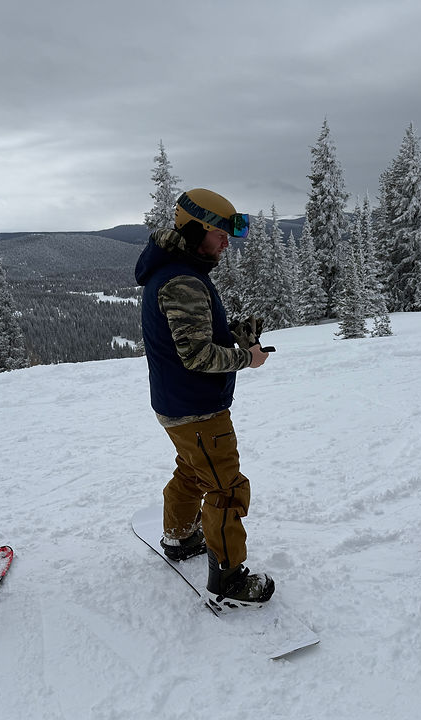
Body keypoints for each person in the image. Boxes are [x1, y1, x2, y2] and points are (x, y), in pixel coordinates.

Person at [135, 188, 275, 612]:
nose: (226, 243)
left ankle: (179, 536)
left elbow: (188, 340)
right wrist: (245, 358)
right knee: (226, 488)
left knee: (194, 471)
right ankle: (229, 577)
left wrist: (231, 335)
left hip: (177, 405)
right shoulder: (182, 280)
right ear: (196, 230)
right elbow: (195, 356)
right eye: (220, 233)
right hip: (196, 408)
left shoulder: (177, 269)